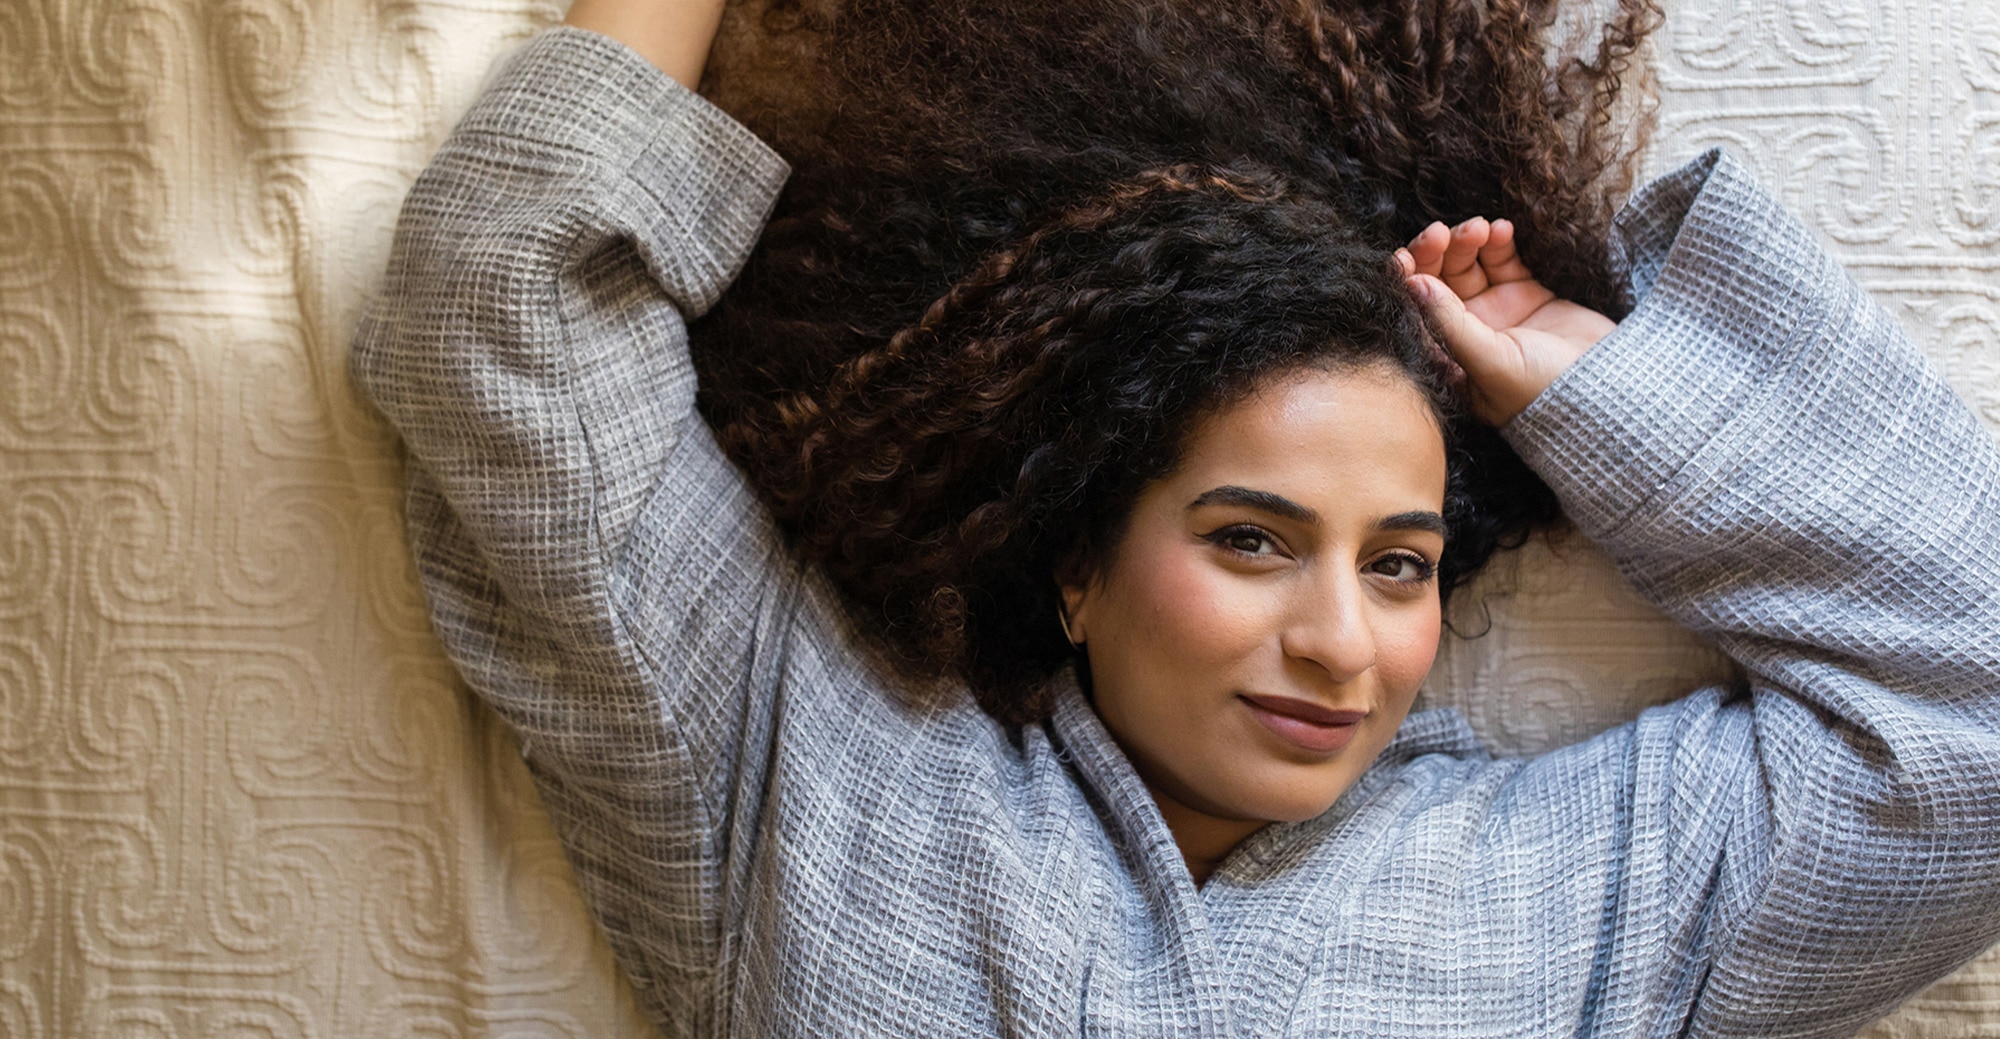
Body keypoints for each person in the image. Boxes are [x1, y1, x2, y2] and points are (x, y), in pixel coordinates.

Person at [350, 0, 2000, 1033]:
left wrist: (1596, 389)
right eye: (1251, 539)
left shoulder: (1596, 898)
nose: (1341, 642)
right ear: (1079, 563)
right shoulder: (822, 786)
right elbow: (501, 317)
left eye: (1402, 565)